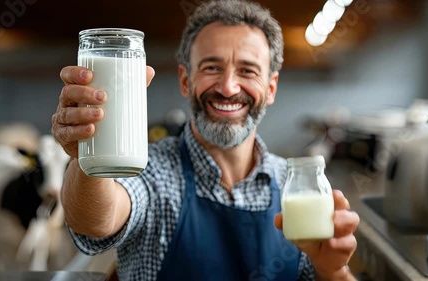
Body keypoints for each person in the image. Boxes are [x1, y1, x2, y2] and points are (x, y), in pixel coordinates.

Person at [51, 1, 360, 280]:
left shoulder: (295, 187)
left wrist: (332, 270)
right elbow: (95, 222)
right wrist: (86, 153)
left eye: (247, 70)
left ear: (271, 87)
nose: (227, 87)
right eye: (212, 67)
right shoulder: (152, 172)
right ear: (186, 80)